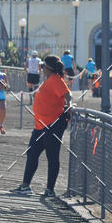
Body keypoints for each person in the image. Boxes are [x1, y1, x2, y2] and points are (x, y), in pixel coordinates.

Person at [14, 55, 71, 197]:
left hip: (53, 125)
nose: (41, 69)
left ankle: (50, 189)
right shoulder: (48, 80)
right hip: (40, 125)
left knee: (52, 157)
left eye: (42, 66)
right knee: (32, 153)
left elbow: (68, 95)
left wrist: (69, 107)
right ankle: (25, 185)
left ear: (48, 68)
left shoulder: (56, 80)